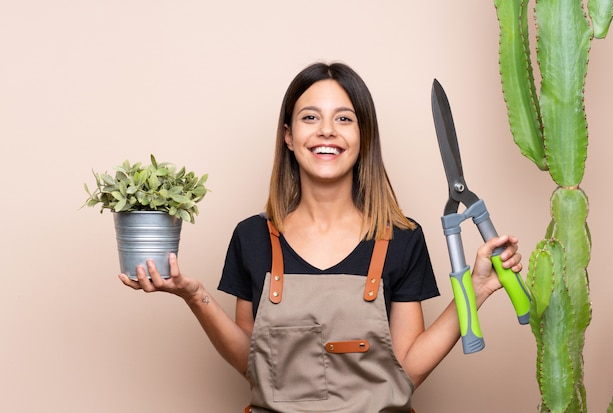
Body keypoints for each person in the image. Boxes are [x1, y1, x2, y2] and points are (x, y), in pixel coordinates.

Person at [119, 62, 523, 413]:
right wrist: (196, 297)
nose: (327, 131)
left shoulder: (402, 237)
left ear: (363, 137)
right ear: (289, 136)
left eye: (344, 119)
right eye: (310, 118)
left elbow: (407, 367)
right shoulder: (253, 237)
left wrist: (480, 286)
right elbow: (253, 364)